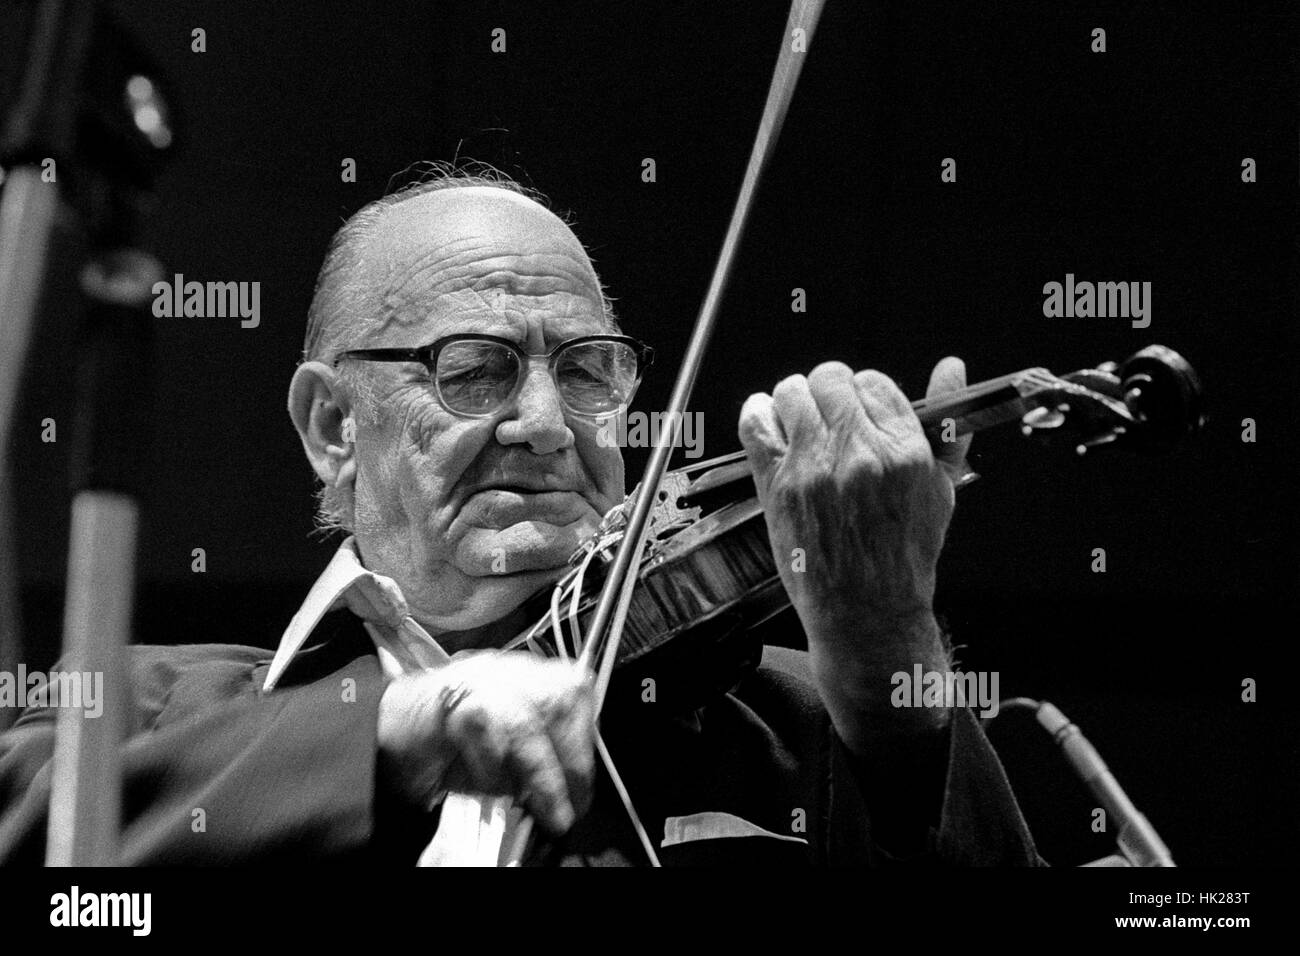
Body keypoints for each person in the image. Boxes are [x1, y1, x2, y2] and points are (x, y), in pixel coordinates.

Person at [0, 168, 1043, 866]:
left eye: (587, 371)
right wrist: (396, 731)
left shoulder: (800, 720)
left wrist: (889, 652)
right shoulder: (150, 705)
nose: (546, 424)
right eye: (474, 369)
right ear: (332, 424)